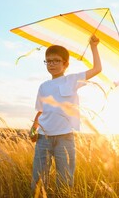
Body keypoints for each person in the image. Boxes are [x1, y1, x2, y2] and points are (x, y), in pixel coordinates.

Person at [30, 35, 102, 194]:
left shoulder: (72, 80)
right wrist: (34, 127)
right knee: (39, 180)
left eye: (56, 61)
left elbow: (97, 69)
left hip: (65, 138)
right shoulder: (43, 86)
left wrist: (94, 47)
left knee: (65, 181)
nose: (52, 64)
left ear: (66, 64)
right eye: (48, 61)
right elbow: (40, 111)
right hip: (43, 138)